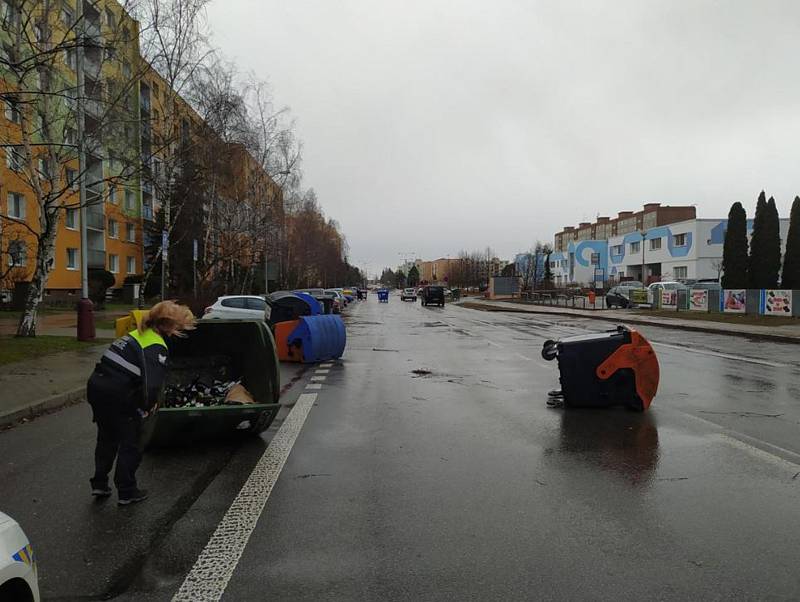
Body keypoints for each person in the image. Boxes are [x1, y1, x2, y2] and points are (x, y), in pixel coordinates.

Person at [87, 301, 195, 505]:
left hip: (97, 387)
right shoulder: (155, 345)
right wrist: (147, 407)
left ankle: (99, 484)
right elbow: (151, 385)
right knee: (132, 441)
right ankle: (127, 491)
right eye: (180, 327)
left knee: (107, 437)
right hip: (118, 393)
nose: (180, 332)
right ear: (169, 326)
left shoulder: (137, 334)